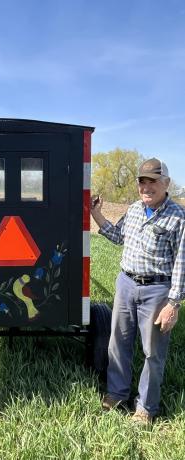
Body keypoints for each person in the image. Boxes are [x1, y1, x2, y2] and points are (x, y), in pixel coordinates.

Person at [91, 158, 185, 423]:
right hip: (126, 283)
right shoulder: (133, 210)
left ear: (166, 183)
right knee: (117, 342)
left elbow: (182, 262)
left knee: (152, 352)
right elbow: (117, 236)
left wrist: (173, 303)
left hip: (157, 290)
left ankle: (146, 407)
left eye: (152, 181)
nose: (146, 187)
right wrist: (95, 214)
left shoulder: (178, 217)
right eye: (142, 181)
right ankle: (116, 394)